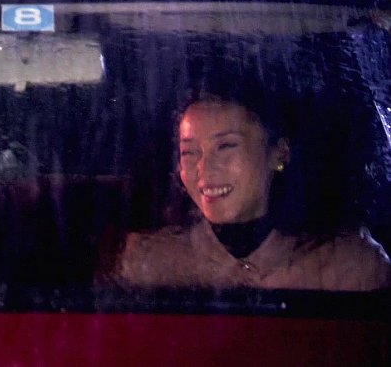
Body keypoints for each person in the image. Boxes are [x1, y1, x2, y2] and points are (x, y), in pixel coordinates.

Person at [96, 80, 391, 292]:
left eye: (225, 146)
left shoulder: (350, 266)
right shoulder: (145, 263)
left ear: (279, 153)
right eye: (189, 152)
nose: (204, 167)